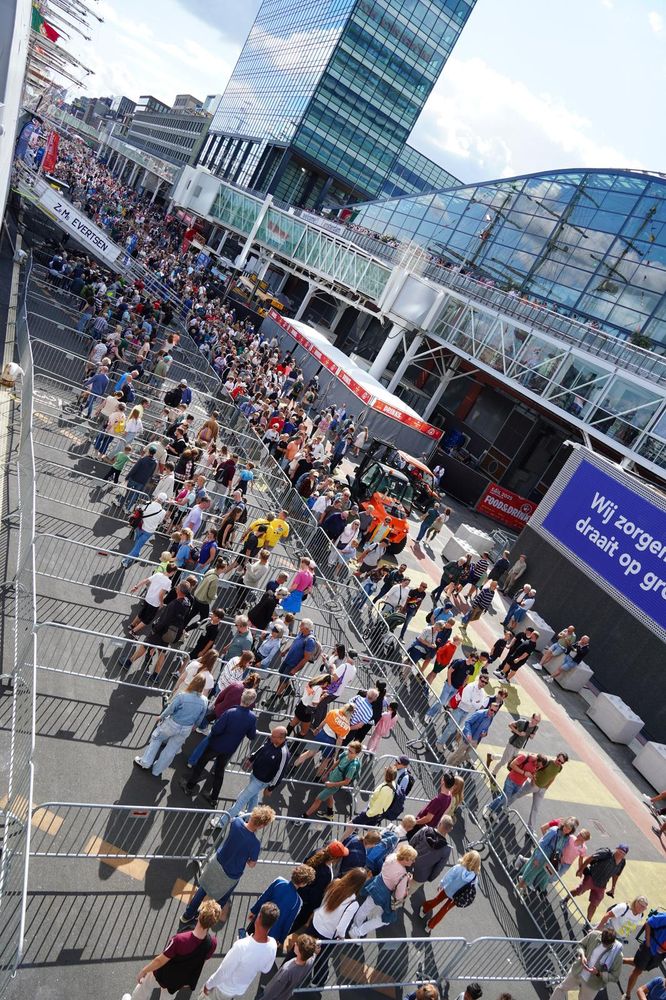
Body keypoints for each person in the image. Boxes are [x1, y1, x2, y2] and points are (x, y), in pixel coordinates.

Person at [180, 806, 275, 925]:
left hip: (217, 863)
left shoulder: (236, 822)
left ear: (252, 815)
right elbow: (252, 864)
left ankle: (187, 915)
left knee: (203, 889)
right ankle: (207, 920)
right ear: (261, 826)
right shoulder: (255, 844)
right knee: (221, 899)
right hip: (231, 875)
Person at [120, 898, 221, 1000]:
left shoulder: (179, 939)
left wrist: (144, 970)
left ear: (199, 916)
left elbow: (160, 960)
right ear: (213, 923)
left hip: (163, 974)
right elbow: (201, 962)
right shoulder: (212, 942)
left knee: (144, 986)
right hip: (178, 980)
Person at [180, 690, 257, 806]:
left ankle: (189, 786)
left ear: (242, 697)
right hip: (229, 749)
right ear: (252, 702)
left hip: (216, 744)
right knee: (219, 772)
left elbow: (216, 729)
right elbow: (251, 736)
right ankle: (214, 797)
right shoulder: (252, 717)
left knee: (201, 763)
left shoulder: (230, 712)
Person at [214, 727, 291, 829]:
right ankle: (248, 817)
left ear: (281, 738)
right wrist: (252, 758)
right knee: (253, 797)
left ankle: (221, 822)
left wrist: (270, 788)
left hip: (261, 781)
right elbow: (262, 748)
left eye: (273, 736)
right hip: (254, 775)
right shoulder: (271, 740)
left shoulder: (284, 753)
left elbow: (280, 773)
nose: (270, 736)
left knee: (241, 799)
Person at [133, 674, 208, 777]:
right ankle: (157, 771)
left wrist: (162, 716)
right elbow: (200, 717)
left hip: (172, 724)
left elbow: (170, 709)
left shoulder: (182, 696)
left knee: (156, 738)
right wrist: (195, 726)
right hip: (186, 728)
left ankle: (145, 763)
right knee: (171, 749)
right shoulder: (204, 700)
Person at [201, 902, 279, 999]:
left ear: (259, 918)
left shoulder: (241, 946)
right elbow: (266, 969)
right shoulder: (273, 944)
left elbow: (224, 972)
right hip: (240, 988)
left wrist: (208, 985)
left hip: (223, 988)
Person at [310, 868, 368, 985]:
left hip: (316, 922)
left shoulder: (335, 882)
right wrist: (341, 938)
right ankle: (316, 981)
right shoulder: (353, 903)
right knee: (322, 959)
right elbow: (341, 927)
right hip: (327, 934)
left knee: (306, 947)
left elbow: (324, 901)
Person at [349, 843, 417, 936]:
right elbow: (399, 896)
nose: (413, 861)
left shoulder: (392, 856)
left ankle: (355, 926)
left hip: (377, 883)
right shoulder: (403, 875)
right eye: (412, 859)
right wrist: (407, 883)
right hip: (385, 895)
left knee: (365, 907)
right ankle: (358, 932)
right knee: (385, 920)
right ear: (406, 859)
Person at [246, 866, 317, 949]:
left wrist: (253, 911)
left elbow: (264, 898)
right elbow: (288, 923)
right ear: (303, 884)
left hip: (259, 921)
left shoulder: (279, 881)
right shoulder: (298, 902)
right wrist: (281, 939)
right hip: (271, 934)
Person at [550, 927, 623, 1000]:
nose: (604, 945)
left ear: (613, 942)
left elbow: (615, 977)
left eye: (607, 945)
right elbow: (581, 945)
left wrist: (599, 973)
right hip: (578, 971)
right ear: (601, 936)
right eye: (602, 942)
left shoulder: (618, 956)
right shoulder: (594, 935)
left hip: (593, 984)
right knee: (561, 989)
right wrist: (582, 955)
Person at [293, 841, 350, 931]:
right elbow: (315, 895)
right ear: (336, 858)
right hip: (305, 903)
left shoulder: (317, 851)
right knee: (295, 922)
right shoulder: (325, 873)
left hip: (298, 891)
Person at [516, 816, 578, 894]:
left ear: (571, 831)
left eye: (569, 829)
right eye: (566, 826)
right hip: (542, 855)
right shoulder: (554, 831)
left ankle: (522, 887)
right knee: (530, 872)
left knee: (533, 874)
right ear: (563, 824)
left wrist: (555, 861)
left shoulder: (566, 838)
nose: (566, 829)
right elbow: (542, 843)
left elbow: (560, 849)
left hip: (550, 858)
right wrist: (537, 857)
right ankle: (518, 887)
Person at [421, 850, 481, 930]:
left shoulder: (459, 868)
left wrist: (441, 884)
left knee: (436, 900)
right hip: (457, 897)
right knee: (444, 911)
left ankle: (424, 910)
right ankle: (430, 926)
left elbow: (449, 876)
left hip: (448, 889)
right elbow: (473, 889)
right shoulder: (474, 878)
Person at [302, 741, 363, 819]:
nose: (348, 753)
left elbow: (346, 781)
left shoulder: (352, 766)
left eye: (351, 752)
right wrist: (327, 774)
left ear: (356, 754)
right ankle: (330, 813)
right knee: (329, 795)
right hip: (331, 779)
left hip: (334, 785)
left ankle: (304, 816)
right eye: (348, 750)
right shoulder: (345, 754)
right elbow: (336, 763)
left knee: (318, 799)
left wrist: (332, 785)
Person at [570, 844, 629, 922]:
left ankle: (588, 921)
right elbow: (591, 858)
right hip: (592, 877)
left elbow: (616, 875)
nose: (620, 854)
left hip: (602, 885)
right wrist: (581, 869)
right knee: (578, 891)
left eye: (623, 853)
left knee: (594, 904)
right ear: (616, 849)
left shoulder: (622, 862)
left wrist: (613, 888)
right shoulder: (607, 853)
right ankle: (566, 899)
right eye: (620, 851)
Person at [511, 751, 569, 829]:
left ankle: (530, 828)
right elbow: (535, 769)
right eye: (559, 760)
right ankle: (504, 806)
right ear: (557, 756)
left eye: (562, 762)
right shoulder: (548, 762)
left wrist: (546, 787)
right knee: (518, 795)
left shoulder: (559, 768)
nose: (559, 763)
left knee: (536, 808)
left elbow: (553, 777)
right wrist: (533, 782)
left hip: (542, 790)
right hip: (533, 785)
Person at [258, 933, 319, 1000]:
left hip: (274, 995)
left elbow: (274, 989)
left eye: (297, 944)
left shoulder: (287, 970)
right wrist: (315, 951)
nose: (295, 944)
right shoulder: (310, 961)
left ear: (300, 952)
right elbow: (314, 954)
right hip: (286, 994)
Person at [624, 910, 666, 999]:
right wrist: (647, 942)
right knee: (638, 970)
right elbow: (649, 922)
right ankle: (627, 994)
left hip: (660, 955)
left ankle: (621, 960)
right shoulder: (665, 918)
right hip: (650, 948)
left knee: (642, 966)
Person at [408, 815, 454, 894]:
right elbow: (439, 868)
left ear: (439, 823)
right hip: (421, 875)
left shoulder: (425, 830)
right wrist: (430, 878)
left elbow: (411, 843)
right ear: (450, 830)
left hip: (408, 864)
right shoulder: (446, 849)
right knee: (407, 892)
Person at [121, 493, 168, 567]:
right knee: (138, 545)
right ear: (164, 501)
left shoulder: (147, 503)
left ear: (157, 497)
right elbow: (160, 522)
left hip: (140, 526)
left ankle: (129, 559)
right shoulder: (163, 512)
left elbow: (139, 511)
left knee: (137, 544)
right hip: (149, 531)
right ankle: (131, 557)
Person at [347, 765, 397, 829]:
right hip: (375, 813)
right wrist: (386, 772)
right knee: (368, 830)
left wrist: (368, 813)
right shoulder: (391, 783)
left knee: (351, 824)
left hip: (372, 812)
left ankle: (342, 839)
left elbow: (378, 805)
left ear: (387, 775)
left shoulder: (386, 789)